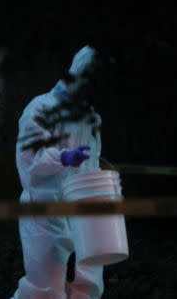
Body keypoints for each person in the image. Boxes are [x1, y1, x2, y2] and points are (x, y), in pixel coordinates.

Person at [11, 45, 104, 299]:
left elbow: (91, 162)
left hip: (82, 211)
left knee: (88, 286)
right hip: (45, 212)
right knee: (44, 289)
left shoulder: (89, 116)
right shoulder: (42, 108)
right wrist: (62, 157)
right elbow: (28, 161)